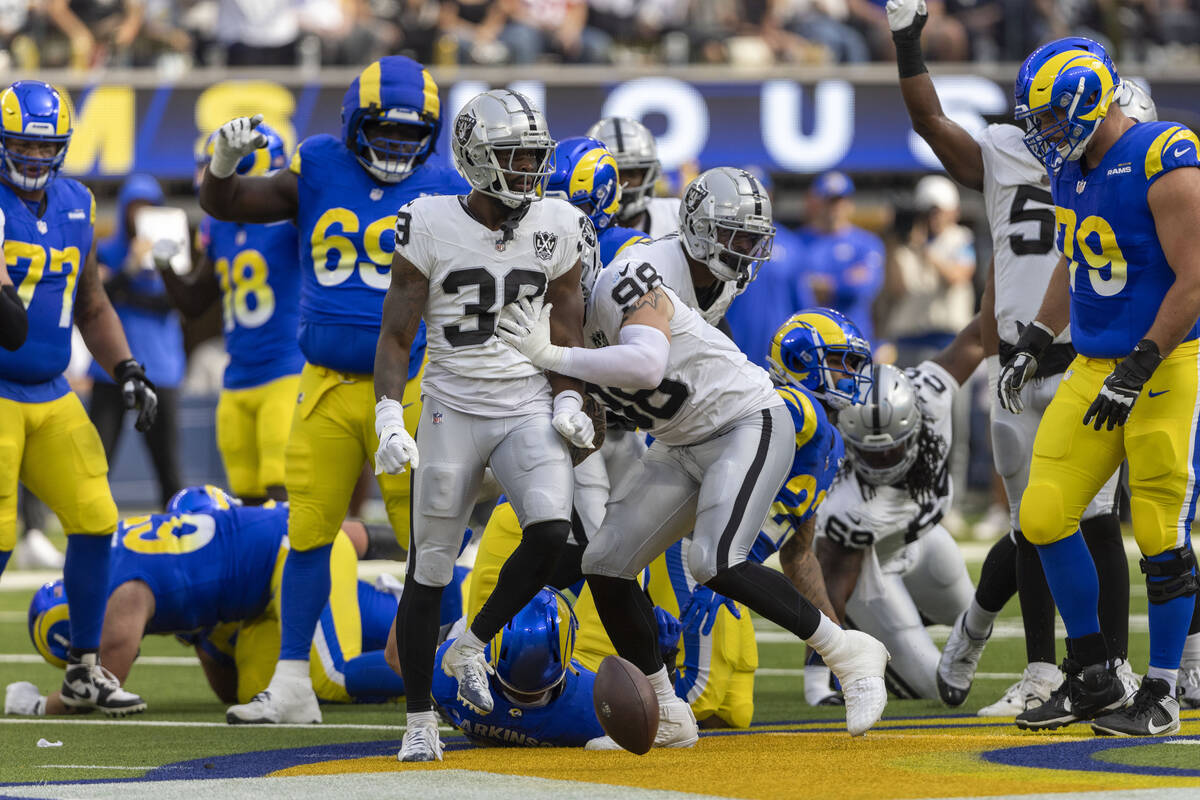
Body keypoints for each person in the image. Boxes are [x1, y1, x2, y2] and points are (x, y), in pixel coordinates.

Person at [497, 167, 890, 743]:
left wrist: (555, 356)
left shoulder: (625, 280)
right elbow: (624, 397)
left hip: (744, 422)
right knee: (603, 562)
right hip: (683, 441)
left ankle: (850, 651)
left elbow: (649, 367)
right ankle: (667, 712)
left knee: (715, 560)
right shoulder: (595, 318)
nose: (546, 297)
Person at [198, 55, 469, 726]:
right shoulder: (318, 164)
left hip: (413, 389)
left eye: (412, 136)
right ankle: (292, 682)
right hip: (321, 385)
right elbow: (229, 203)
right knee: (308, 532)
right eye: (385, 132)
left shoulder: (447, 185)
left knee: (428, 542)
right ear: (353, 125)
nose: (398, 148)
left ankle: (442, 667)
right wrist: (222, 166)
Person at [887, 4, 1137, 717]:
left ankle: (1113, 668)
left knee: (1100, 522)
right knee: (1031, 526)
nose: (1044, 128)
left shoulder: (1121, 158)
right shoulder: (1005, 149)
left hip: (1085, 363)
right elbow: (932, 123)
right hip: (1013, 369)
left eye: (1054, 113)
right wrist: (909, 44)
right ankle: (1041, 671)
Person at [376, 88, 595, 762]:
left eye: (534, 154)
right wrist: (387, 410)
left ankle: (470, 640)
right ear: (473, 159)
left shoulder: (558, 221)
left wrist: (569, 398)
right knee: (429, 568)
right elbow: (395, 331)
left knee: (555, 534)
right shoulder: (430, 221)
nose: (530, 167)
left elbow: (567, 325)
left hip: (526, 402)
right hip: (451, 404)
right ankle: (418, 722)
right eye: (514, 155)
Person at [1001, 38, 1200, 736]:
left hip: (1168, 366)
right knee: (1044, 513)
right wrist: (1033, 340)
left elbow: (1195, 277)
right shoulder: (1072, 170)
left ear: (1089, 99)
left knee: (1156, 530)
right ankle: (1094, 673)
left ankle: (1167, 689)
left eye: (1051, 119)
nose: (1044, 134)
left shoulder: (1162, 155)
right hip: (1093, 366)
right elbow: (1077, 259)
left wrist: (1141, 365)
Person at [0, 79, 156, 715]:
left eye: (46, 150)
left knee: (96, 520)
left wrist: (127, 368)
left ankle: (84, 670)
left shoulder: (77, 203)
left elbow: (90, 302)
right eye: (21, 148)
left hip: (50, 389)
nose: (34, 161)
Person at [8, 487, 408, 715]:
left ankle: (439, 663)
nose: (83, 662)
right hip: (262, 593)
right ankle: (417, 633)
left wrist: (41, 705)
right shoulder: (113, 558)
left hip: (291, 556)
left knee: (329, 675)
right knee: (256, 688)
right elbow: (223, 686)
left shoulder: (122, 596)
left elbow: (99, 684)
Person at [813, 327, 982, 701]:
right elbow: (828, 581)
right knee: (934, 689)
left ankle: (899, 621)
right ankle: (867, 628)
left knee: (971, 622)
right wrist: (818, 677)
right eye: (870, 452)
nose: (883, 460)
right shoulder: (847, 504)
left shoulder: (929, 395)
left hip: (920, 543)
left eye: (891, 449)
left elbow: (977, 336)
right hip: (869, 575)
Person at [160, 124, 302, 505]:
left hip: (286, 371)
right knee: (247, 495)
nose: (207, 175)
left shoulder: (293, 222)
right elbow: (194, 302)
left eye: (216, 165)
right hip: (237, 376)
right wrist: (165, 267)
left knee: (282, 488)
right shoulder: (218, 226)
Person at [87, 173, 185, 508]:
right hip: (110, 367)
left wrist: (140, 281)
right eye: (134, 206)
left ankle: (178, 532)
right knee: (96, 460)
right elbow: (97, 299)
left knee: (167, 465)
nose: (139, 214)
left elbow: (176, 303)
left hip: (161, 368)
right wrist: (128, 269)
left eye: (147, 207)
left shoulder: (172, 248)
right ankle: (87, 530)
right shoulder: (107, 250)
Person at [796, 171, 884, 344]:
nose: (835, 207)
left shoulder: (866, 243)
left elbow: (862, 288)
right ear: (815, 202)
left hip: (852, 341)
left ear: (850, 204)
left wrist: (823, 285)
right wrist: (842, 280)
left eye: (840, 201)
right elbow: (795, 289)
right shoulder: (798, 242)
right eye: (828, 201)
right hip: (808, 340)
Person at [586, 117, 680, 238]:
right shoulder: (578, 226)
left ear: (648, 174)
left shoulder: (675, 216)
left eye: (631, 174)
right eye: (615, 175)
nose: (623, 183)